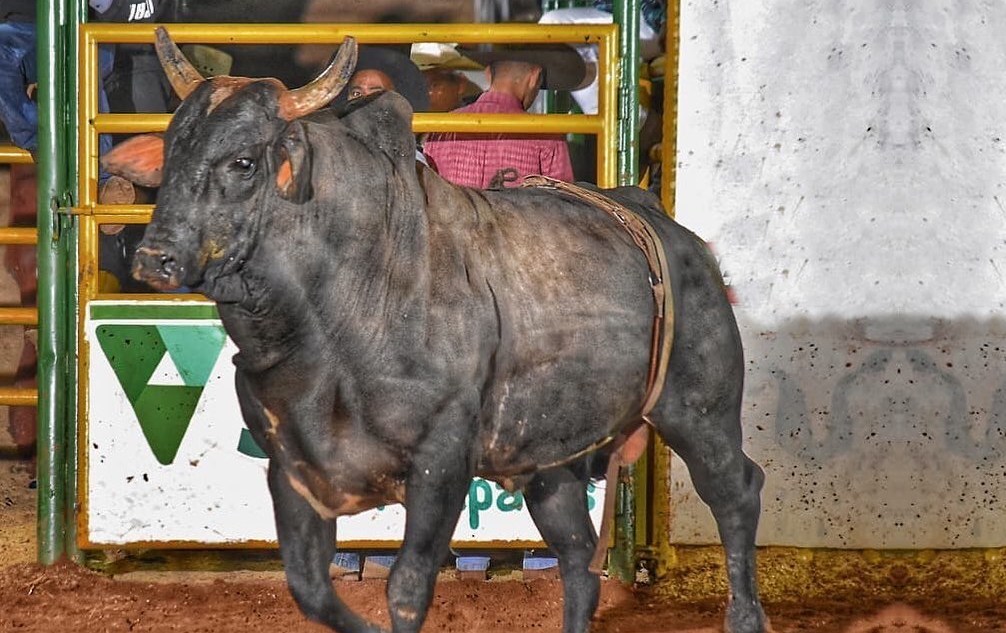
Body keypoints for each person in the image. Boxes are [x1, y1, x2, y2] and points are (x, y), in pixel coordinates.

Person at [422, 44, 586, 189]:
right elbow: (561, 208)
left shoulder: (441, 128)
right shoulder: (546, 135)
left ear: (488, 74)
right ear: (534, 77)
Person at [538, 0, 667, 115]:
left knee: (549, 24)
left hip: (649, 21)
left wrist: (662, 19)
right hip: (634, 28)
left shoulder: (554, 27)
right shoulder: (598, 111)